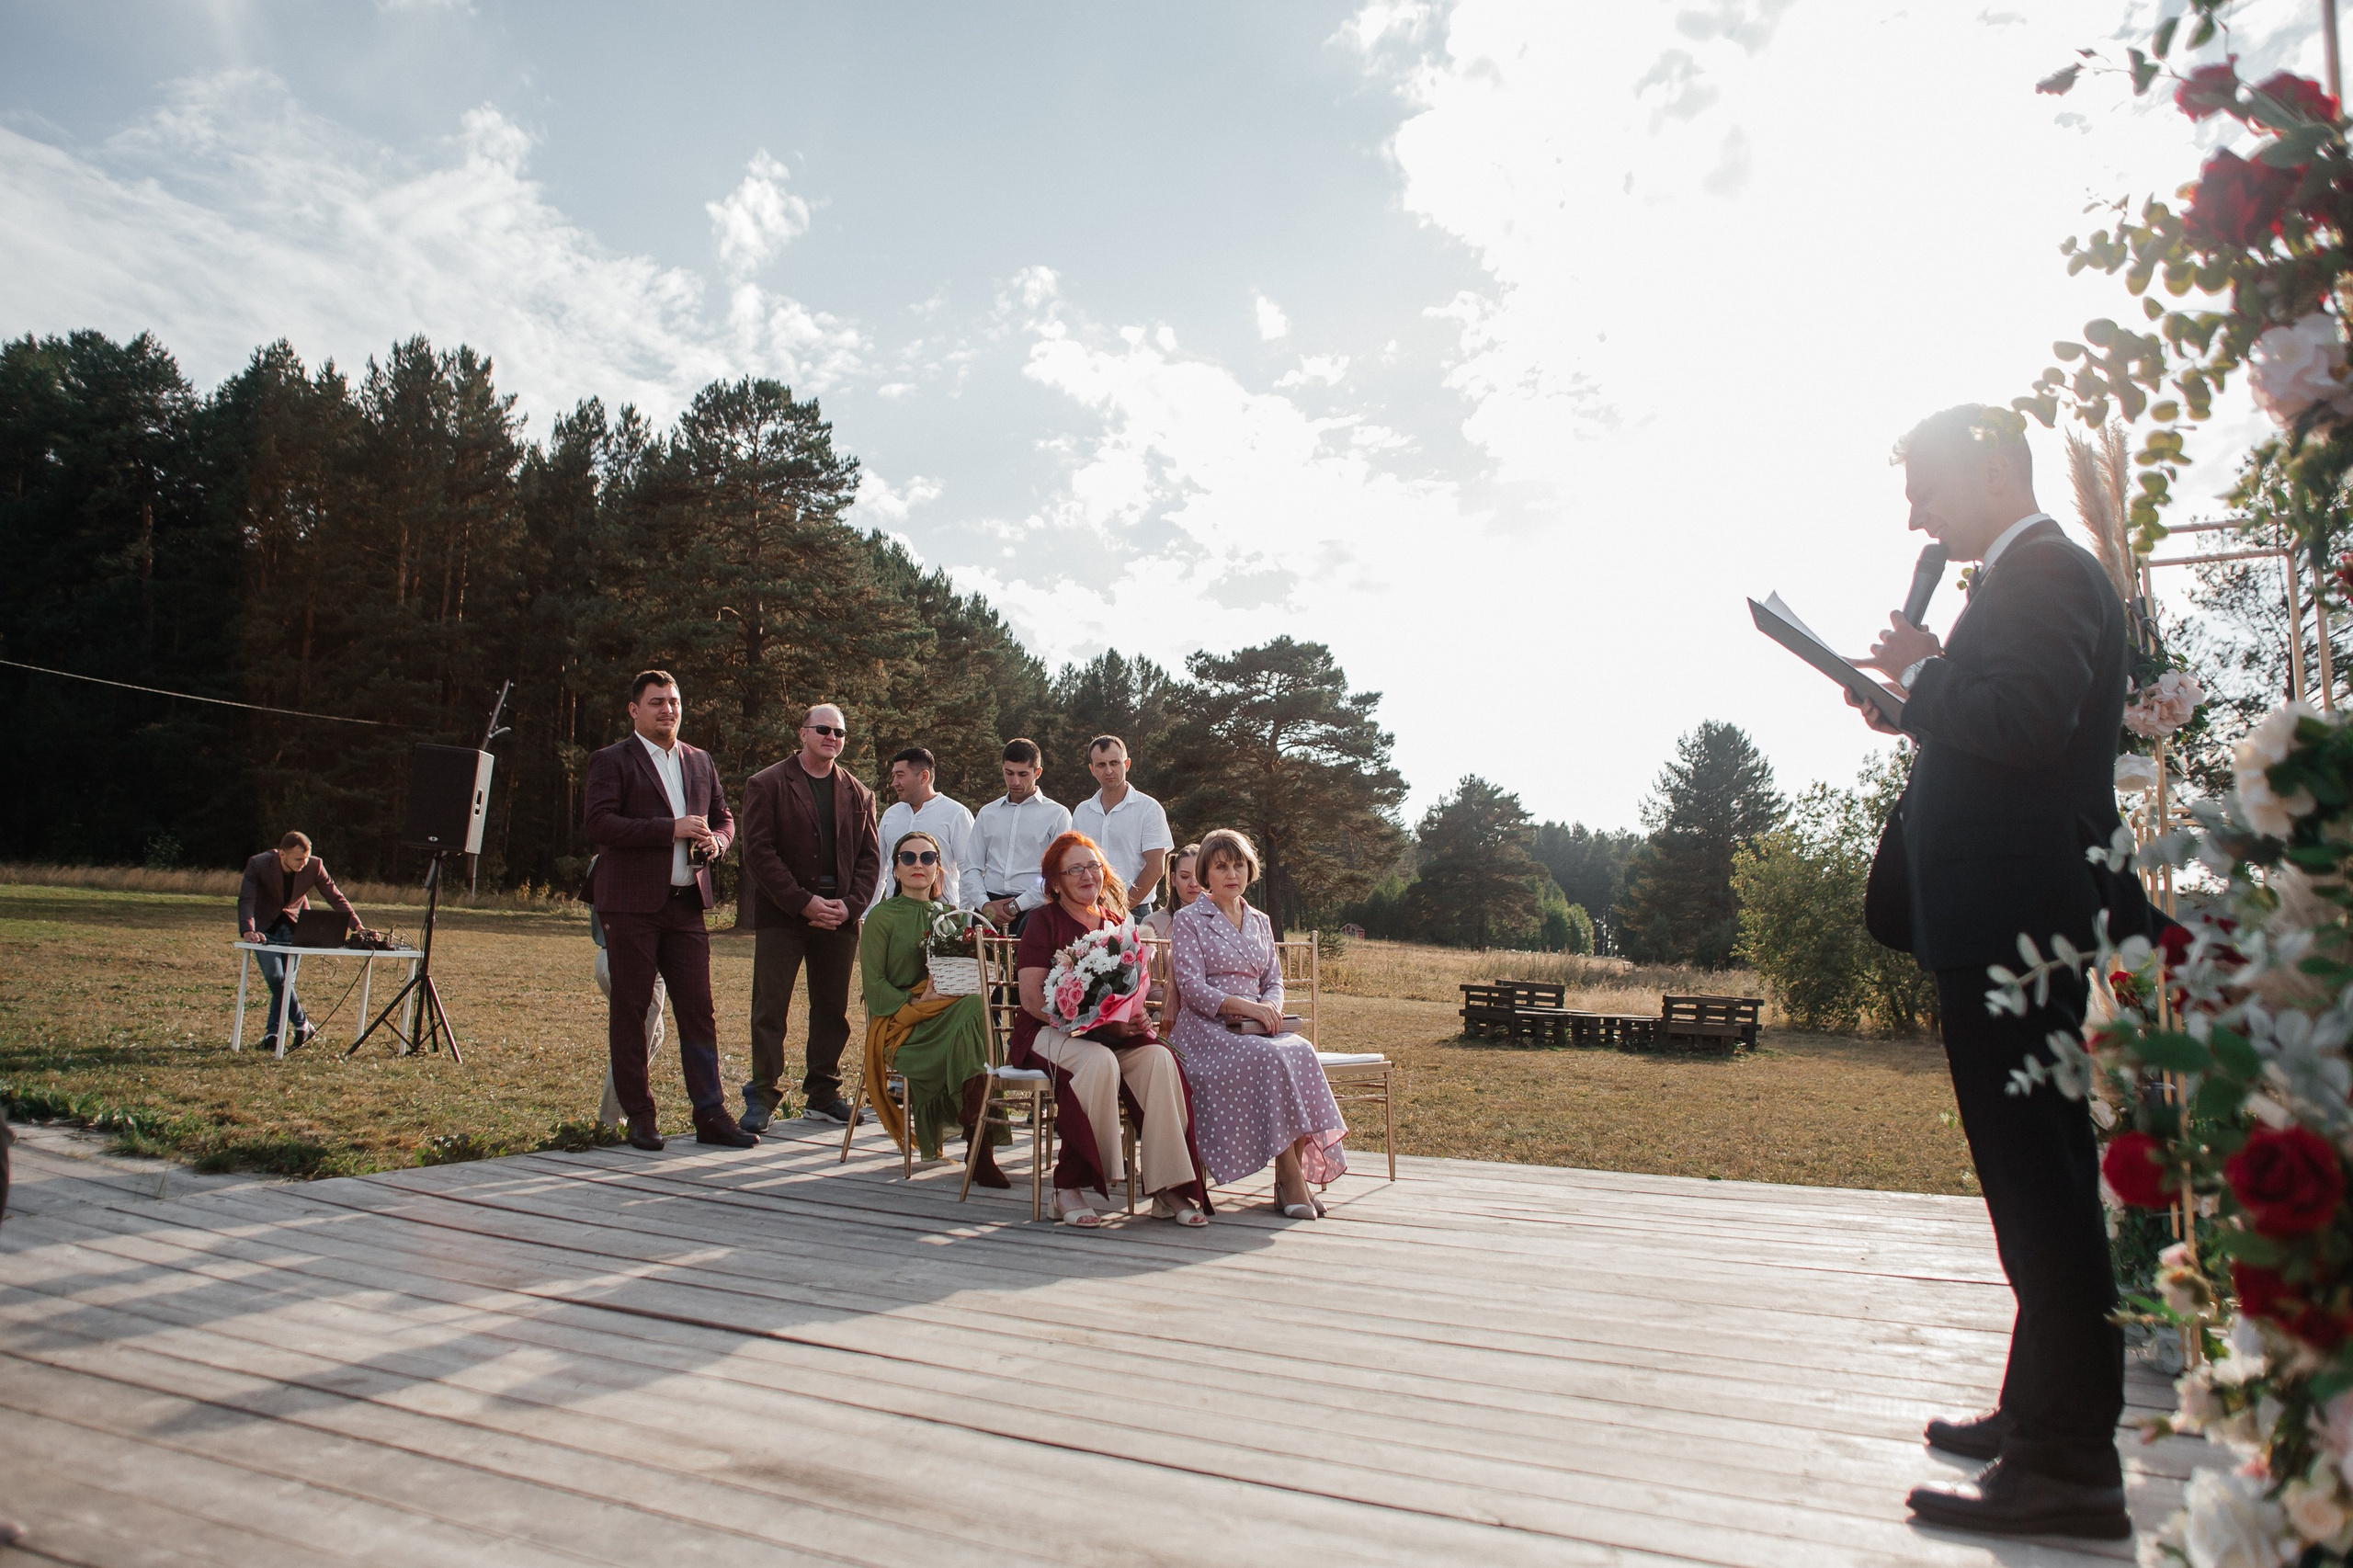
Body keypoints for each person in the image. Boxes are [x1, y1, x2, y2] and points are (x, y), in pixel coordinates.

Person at [1849, 405, 2152, 1542]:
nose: (1916, 514)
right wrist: (1908, 700)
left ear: (1991, 469)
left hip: (2018, 925)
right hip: (1992, 918)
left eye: (1925, 487)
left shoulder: (2051, 574)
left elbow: (2025, 724)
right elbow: (1998, 728)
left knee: (2045, 1186)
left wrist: (1928, 676)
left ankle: (2070, 1465)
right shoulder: (2015, 581)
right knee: (2028, 1179)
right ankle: (2039, 1408)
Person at [582, 670, 755, 1151]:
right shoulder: (611, 760)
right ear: (634, 710)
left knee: (699, 1012)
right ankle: (639, 1116)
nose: (668, 710)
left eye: (674, 701)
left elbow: (723, 816)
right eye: (657, 702)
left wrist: (718, 843)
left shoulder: (699, 761)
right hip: (630, 907)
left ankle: (711, 1115)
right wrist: (670, 828)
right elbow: (599, 824)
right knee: (632, 1010)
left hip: (686, 908)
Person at [1009, 831, 1212, 1228]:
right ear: (1055, 881)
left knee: (1158, 1059)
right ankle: (1068, 1186)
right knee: (1097, 1061)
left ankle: (1170, 1186)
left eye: (1094, 866)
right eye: (1075, 869)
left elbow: (1133, 990)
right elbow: (1033, 999)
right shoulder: (1042, 922)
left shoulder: (1118, 923)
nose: (1088, 875)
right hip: (1050, 1033)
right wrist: (1086, 1023)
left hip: (1112, 1036)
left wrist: (1133, 1017)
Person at [1168, 829, 1347, 1217]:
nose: (1232, 873)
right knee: (1273, 1059)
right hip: (1206, 1030)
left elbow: (1274, 980)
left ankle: (1289, 1178)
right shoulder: (1189, 919)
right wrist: (1246, 1009)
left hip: (1259, 1026)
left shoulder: (1261, 921)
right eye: (1221, 866)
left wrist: (1270, 1006)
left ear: (1250, 870)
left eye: (1239, 865)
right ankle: (1289, 1177)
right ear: (1205, 875)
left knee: (1301, 1050)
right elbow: (1190, 987)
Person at [738, 702, 882, 1131]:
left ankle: (823, 1092)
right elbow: (758, 853)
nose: (831, 738)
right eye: (822, 730)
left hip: (838, 919)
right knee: (770, 1007)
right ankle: (762, 1096)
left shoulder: (859, 793)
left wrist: (849, 906)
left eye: (839, 733)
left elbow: (870, 860)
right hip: (784, 915)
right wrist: (803, 902)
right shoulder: (766, 784)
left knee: (832, 1009)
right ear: (802, 733)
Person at [858, 830, 1007, 1184]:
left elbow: (962, 974)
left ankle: (978, 1140)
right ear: (895, 870)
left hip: (947, 1014)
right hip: (902, 1026)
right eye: (908, 858)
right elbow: (875, 989)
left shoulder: (950, 916)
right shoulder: (882, 917)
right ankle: (979, 1140)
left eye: (927, 858)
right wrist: (917, 1000)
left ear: (939, 869)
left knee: (974, 1008)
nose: (918, 866)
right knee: (974, 1016)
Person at [236, 831, 361, 1052]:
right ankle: (303, 1024)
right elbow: (247, 898)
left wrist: (357, 926)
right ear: (281, 854)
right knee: (277, 978)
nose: (303, 864)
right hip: (265, 930)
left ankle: (273, 1035)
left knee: (286, 983)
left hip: (297, 928)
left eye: (306, 858)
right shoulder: (258, 864)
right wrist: (248, 930)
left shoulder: (315, 865)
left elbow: (335, 897)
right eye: (297, 859)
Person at [966, 738, 1072, 934]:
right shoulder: (988, 813)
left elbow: (1055, 875)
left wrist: (1015, 906)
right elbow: (971, 867)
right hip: (988, 910)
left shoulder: (1057, 815)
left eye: (1023, 774)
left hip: (1035, 910)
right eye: (1009, 773)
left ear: (1037, 772)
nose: (1015, 782)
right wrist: (985, 904)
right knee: (981, 965)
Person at [1071, 735, 1174, 915]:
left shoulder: (1149, 808)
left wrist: (1121, 908)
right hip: (1089, 910)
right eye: (1101, 765)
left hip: (1135, 911)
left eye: (1114, 763)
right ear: (1092, 769)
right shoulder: (1082, 811)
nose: (1109, 770)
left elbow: (1156, 867)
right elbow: (1075, 862)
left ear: (1126, 765)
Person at [866, 747, 974, 915]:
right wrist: (867, 916)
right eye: (894, 776)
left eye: (900, 776)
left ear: (924, 777)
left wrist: (964, 920)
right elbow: (878, 871)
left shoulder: (956, 814)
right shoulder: (890, 815)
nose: (894, 783)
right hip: (895, 916)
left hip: (940, 918)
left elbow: (970, 872)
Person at [1140, 843, 1201, 941]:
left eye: (1199, 876)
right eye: (1185, 876)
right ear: (1173, 879)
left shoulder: (1226, 919)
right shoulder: (1152, 924)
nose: (1193, 884)